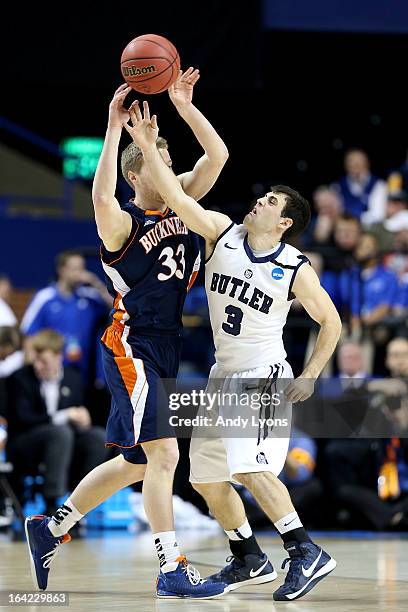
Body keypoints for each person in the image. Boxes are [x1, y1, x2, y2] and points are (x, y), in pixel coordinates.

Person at [127, 101, 342, 601]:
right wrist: (159, 132)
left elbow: (330, 321)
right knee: (205, 476)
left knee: (249, 467)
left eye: (271, 202)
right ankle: (247, 556)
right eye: (262, 195)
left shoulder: (294, 267)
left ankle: (305, 550)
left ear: (285, 222)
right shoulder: (222, 231)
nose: (260, 202)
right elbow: (177, 196)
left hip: (263, 374)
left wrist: (310, 373)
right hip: (222, 375)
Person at [25, 71, 229, 599]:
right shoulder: (123, 222)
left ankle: (51, 527)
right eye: (158, 165)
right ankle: (170, 567)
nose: (173, 174)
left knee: (138, 461)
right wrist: (115, 128)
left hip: (168, 343)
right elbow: (99, 198)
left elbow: (217, 157)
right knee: (164, 455)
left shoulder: (182, 200)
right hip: (131, 342)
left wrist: (183, 106)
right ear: (138, 175)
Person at [6, 330, 107, 516]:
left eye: (43, 361)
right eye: (35, 360)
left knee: (98, 438)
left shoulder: (73, 378)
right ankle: (52, 506)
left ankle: (78, 501)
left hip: (63, 443)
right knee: (60, 433)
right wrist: (64, 416)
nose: (38, 366)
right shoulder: (20, 378)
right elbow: (23, 418)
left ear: (58, 357)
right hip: (26, 441)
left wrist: (83, 417)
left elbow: (80, 410)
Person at [21, 250, 111, 382]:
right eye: (75, 268)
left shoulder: (89, 296)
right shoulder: (45, 297)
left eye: (82, 268)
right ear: (61, 270)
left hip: (84, 373)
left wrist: (95, 283)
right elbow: (28, 336)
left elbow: (115, 307)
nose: (80, 273)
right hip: (51, 371)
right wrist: (30, 373)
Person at [334, 149, 387, 225]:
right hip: (344, 226)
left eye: (359, 162)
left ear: (367, 164)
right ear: (346, 165)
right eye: (352, 162)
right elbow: (337, 211)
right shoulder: (338, 185)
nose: (356, 165)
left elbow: (378, 215)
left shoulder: (378, 185)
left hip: (368, 227)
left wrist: (354, 220)